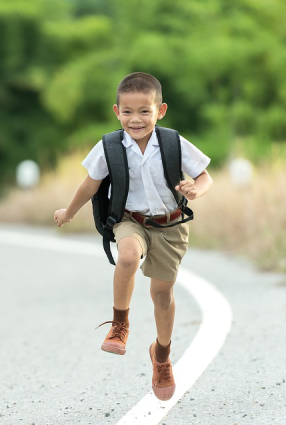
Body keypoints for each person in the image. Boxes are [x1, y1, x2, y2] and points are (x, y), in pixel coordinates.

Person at [53, 72, 213, 401]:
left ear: (161, 110)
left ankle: (162, 354)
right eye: (127, 112)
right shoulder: (109, 146)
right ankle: (120, 325)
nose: (135, 119)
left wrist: (195, 189)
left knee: (162, 296)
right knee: (126, 257)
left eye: (144, 111)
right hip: (130, 220)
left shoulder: (172, 143)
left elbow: (204, 175)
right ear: (116, 111)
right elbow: (90, 184)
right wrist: (69, 211)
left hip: (169, 226)